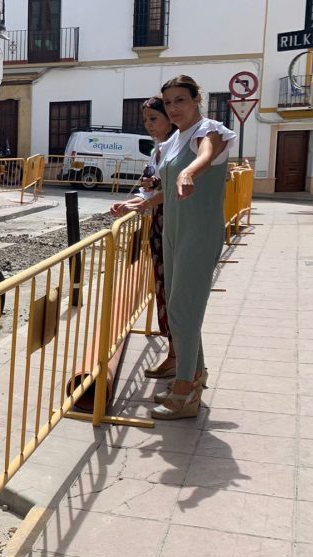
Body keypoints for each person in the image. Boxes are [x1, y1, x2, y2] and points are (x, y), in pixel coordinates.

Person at [151, 75, 236, 420]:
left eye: (180, 100)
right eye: (168, 102)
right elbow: (167, 190)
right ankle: (195, 375)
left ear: (196, 99)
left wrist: (189, 173)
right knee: (178, 307)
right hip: (173, 229)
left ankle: (185, 388)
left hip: (198, 231)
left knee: (184, 308)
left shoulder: (209, 129)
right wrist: (140, 204)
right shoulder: (173, 141)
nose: (173, 108)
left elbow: (205, 154)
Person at [109, 97, 179, 381]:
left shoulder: (177, 147)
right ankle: (176, 354)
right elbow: (151, 187)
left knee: (174, 293)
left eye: (154, 119)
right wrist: (137, 200)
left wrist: (141, 204)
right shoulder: (160, 149)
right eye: (146, 120)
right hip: (161, 225)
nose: (149, 125)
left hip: (173, 224)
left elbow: (171, 191)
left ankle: (178, 357)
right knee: (164, 288)